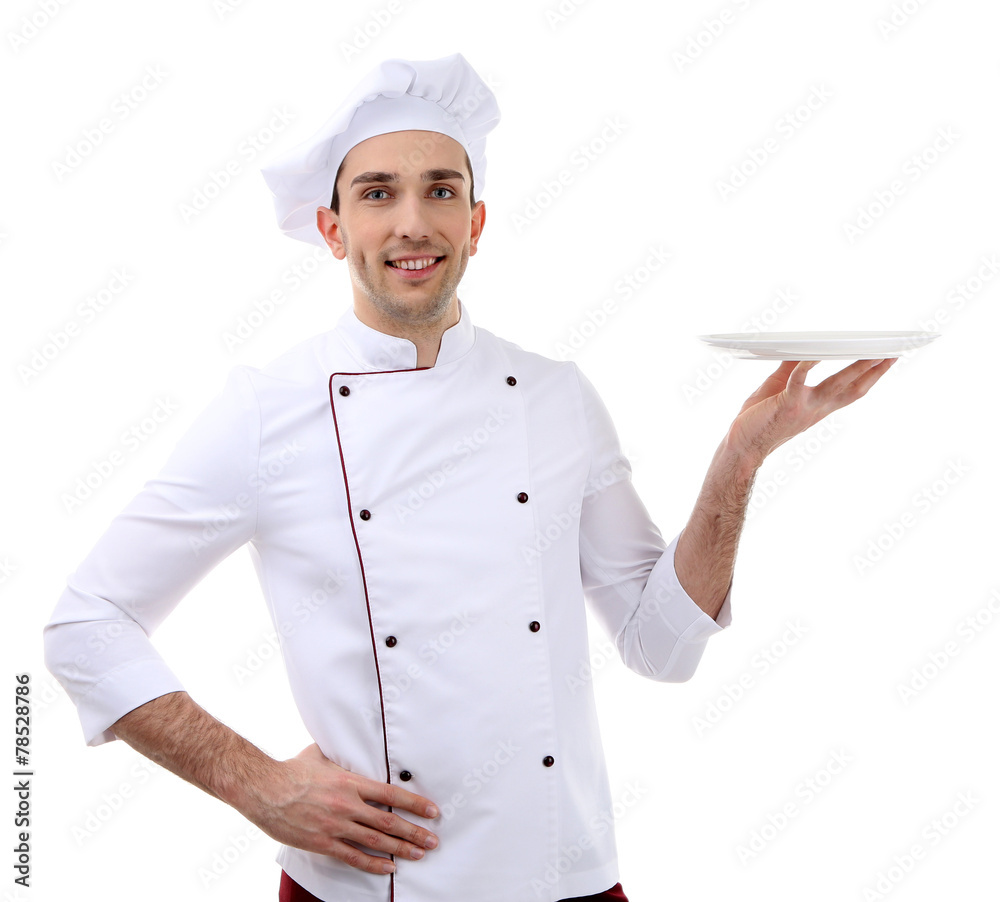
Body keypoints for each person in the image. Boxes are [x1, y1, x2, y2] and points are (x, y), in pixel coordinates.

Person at [43, 53, 896, 902]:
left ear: (477, 222)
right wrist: (258, 784)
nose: (413, 223)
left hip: (570, 876)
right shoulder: (268, 409)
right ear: (333, 228)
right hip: (367, 888)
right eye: (377, 193)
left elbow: (661, 645)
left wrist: (738, 464)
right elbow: (86, 625)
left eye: (441, 190)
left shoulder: (556, 394)